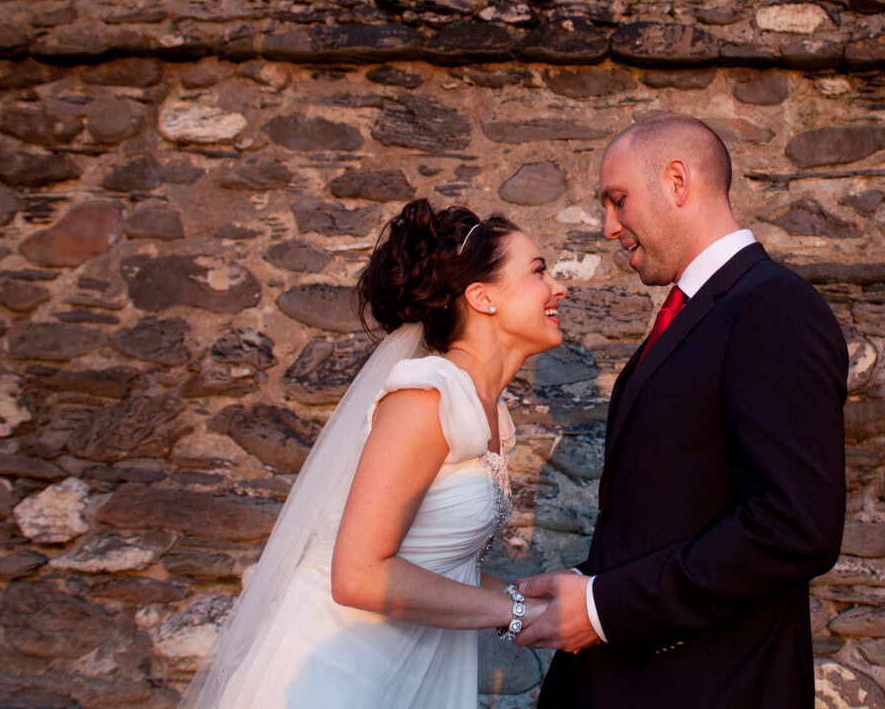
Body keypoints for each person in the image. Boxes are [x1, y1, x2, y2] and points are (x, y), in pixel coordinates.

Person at [515, 113, 848, 709]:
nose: (608, 226)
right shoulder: (696, 313)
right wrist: (592, 589)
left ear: (677, 181)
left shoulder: (772, 306)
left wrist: (602, 608)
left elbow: (793, 527)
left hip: (714, 686)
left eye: (617, 201)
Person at [179, 198, 568, 708]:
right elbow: (358, 575)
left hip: (413, 667)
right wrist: (518, 614)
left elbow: (442, 565)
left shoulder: (482, 411)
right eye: (539, 271)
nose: (559, 287)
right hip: (340, 676)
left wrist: (543, 598)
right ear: (482, 297)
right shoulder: (425, 398)